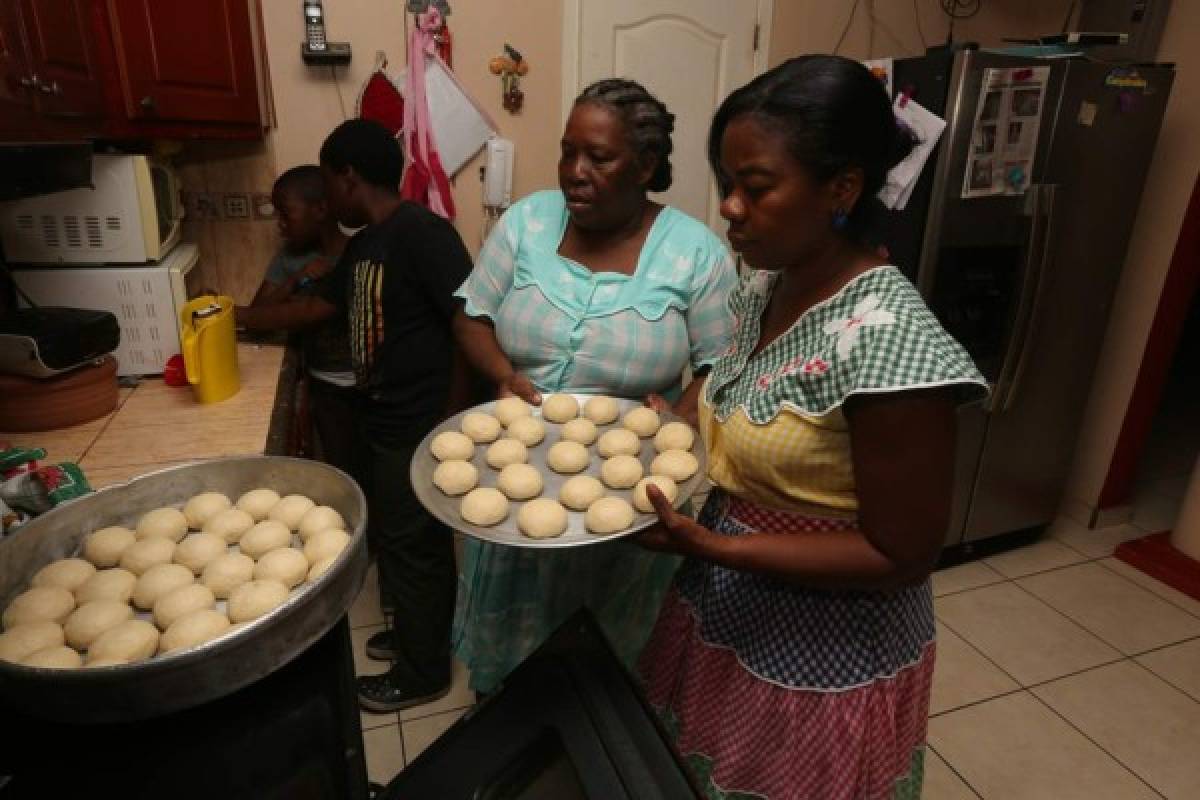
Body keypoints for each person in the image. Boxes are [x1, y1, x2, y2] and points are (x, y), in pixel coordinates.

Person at [635, 56, 987, 799]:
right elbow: (737, 377)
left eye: (755, 188)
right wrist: (676, 416)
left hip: (819, 655)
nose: (730, 207)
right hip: (725, 603)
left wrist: (716, 545)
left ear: (842, 187)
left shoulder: (891, 340)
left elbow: (901, 554)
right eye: (726, 184)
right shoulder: (769, 283)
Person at [450, 79, 738, 695]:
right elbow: (472, 315)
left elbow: (721, 362)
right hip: (515, 486)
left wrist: (681, 420)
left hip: (628, 497)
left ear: (646, 167)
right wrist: (503, 374)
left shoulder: (696, 254)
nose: (574, 173)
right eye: (566, 152)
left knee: (610, 672)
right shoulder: (527, 222)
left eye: (599, 158)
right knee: (512, 682)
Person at [240, 119, 475, 711]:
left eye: (328, 180)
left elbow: (469, 322)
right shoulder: (367, 243)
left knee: (412, 545)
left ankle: (422, 674)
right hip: (386, 415)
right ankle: (423, 636)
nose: (327, 196)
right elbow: (316, 307)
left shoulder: (422, 233)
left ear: (348, 177)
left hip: (421, 423)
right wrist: (233, 316)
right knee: (405, 543)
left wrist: (451, 422)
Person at [235, 166, 354, 474]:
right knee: (336, 462)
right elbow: (258, 311)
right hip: (321, 383)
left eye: (286, 214)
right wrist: (296, 280)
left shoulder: (354, 254)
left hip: (361, 385)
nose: (280, 225)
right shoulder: (290, 258)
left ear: (320, 210)